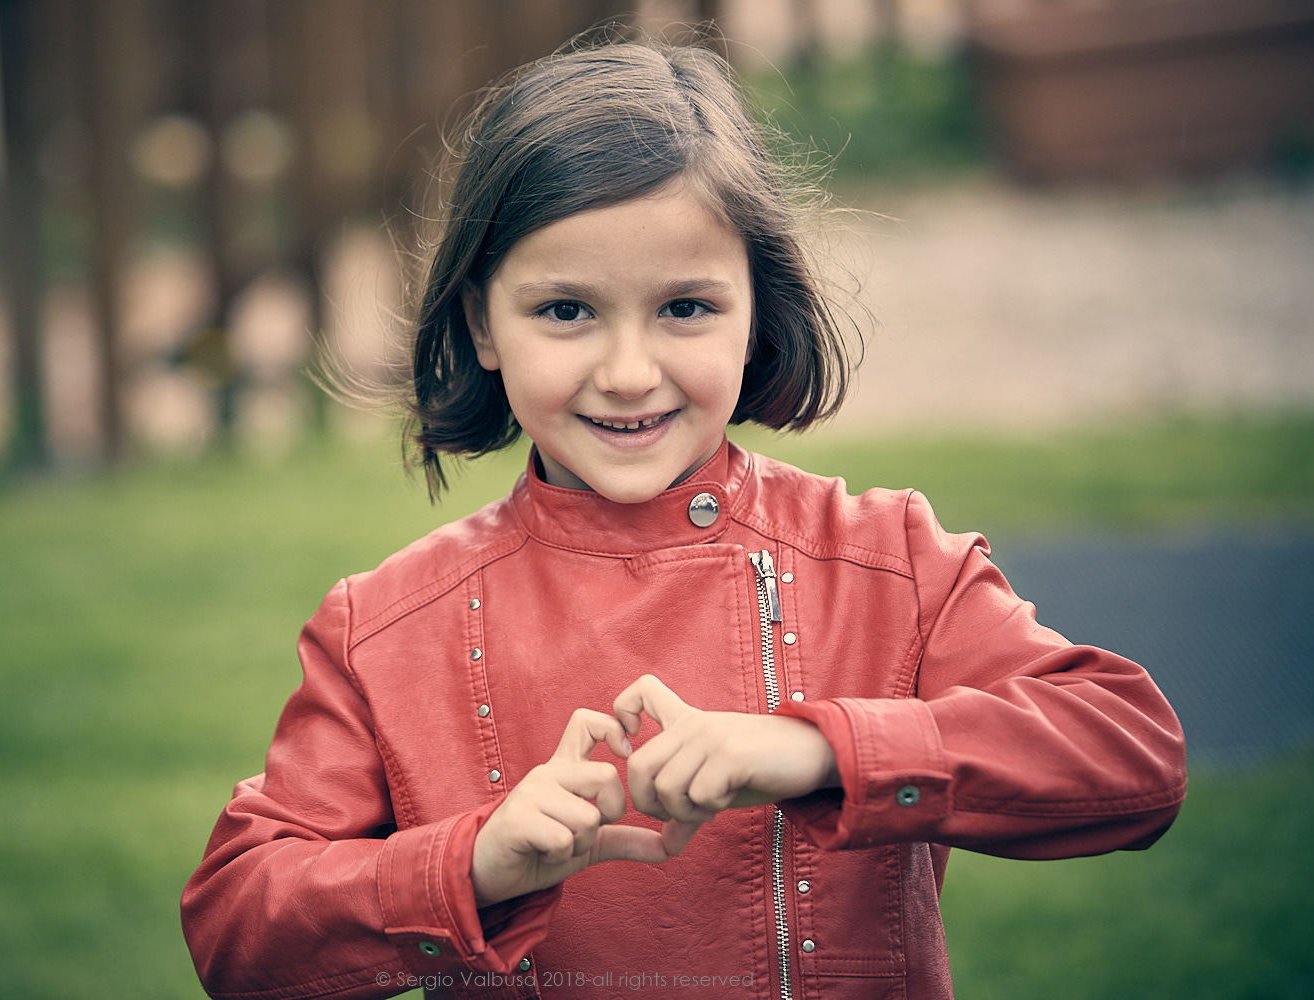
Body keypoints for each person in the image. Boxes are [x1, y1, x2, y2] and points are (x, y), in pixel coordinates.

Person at [181, 39, 1185, 1000]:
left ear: (756, 313)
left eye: (686, 308)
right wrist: (472, 864)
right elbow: (237, 924)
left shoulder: (888, 561)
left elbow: (1129, 751)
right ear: (483, 322)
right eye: (566, 310)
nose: (629, 372)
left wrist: (822, 751)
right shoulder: (384, 629)